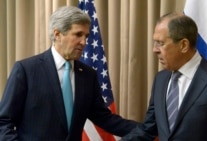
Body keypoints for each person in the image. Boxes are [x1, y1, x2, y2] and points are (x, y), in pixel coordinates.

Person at [0, 6, 139, 141]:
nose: (84, 42)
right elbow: (3, 121)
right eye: (78, 34)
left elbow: (104, 118)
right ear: (57, 34)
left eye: (86, 36)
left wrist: (147, 129)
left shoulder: (88, 75)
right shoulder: (26, 70)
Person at [121, 12, 207, 141]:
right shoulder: (160, 79)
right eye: (155, 42)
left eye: (160, 43)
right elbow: (148, 129)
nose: (154, 49)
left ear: (184, 45)